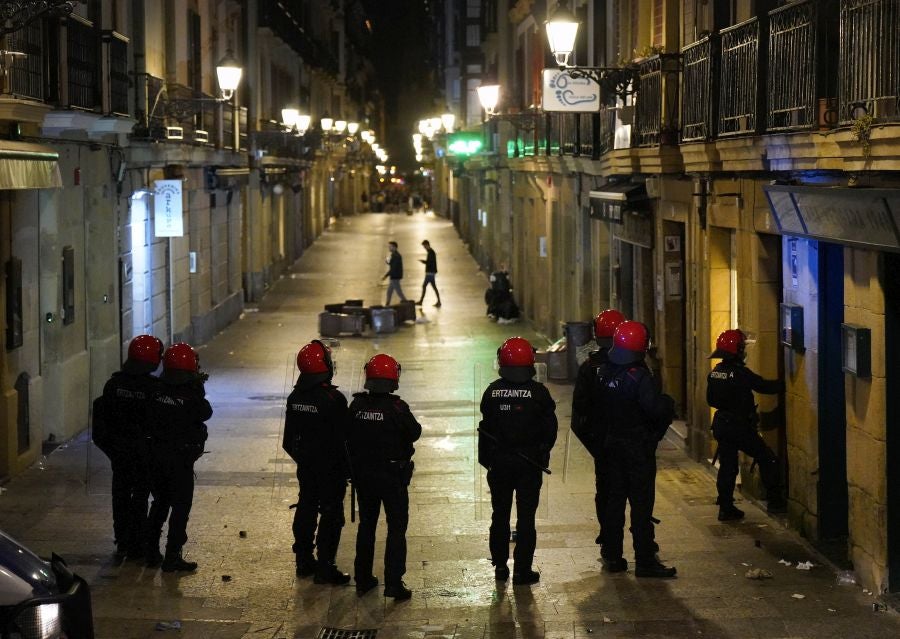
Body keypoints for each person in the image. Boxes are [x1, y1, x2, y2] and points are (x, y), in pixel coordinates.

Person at [597, 321, 676, 578]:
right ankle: (644, 560)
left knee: (615, 502)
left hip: (612, 446)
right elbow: (654, 409)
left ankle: (613, 555)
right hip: (637, 448)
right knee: (641, 505)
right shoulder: (639, 376)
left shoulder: (605, 373)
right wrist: (667, 404)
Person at [478, 337, 558, 585]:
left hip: (500, 464)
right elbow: (550, 430)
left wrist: (489, 461)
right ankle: (522, 570)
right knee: (526, 518)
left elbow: (486, 428)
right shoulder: (539, 393)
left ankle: (500, 566)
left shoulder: (492, 392)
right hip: (529, 465)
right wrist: (541, 453)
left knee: (499, 514)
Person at [346, 354, 421, 600]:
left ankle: (362, 578)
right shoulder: (397, 408)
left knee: (367, 525)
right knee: (396, 528)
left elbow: (347, 436)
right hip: (392, 477)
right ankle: (393, 583)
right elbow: (415, 432)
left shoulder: (356, 406)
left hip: (364, 477)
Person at [283, 340, 350, 584]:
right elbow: (345, 439)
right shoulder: (333, 399)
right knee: (331, 515)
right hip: (331, 469)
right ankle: (325, 567)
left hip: (307, 466)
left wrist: (304, 459)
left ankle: (303, 560)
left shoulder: (294, 397)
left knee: (306, 507)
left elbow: (288, 440)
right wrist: (347, 468)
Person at [95, 334, 164, 560]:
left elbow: (103, 422)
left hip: (120, 453)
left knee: (121, 494)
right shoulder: (154, 388)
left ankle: (122, 540)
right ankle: (138, 542)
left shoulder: (113, 385)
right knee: (141, 496)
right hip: (143, 453)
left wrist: (113, 450)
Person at [145, 342, 211, 572]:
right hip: (180, 459)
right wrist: (197, 387)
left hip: (156, 456)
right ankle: (173, 555)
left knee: (160, 503)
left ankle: (151, 551)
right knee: (181, 506)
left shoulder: (155, 390)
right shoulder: (191, 395)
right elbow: (206, 412)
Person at [707, 329, 786, 521]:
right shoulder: (740, 373)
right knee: (767, 458)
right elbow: (763, 386)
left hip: (722, 424)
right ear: (737, 350)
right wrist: (785, 384)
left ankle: (725, 507)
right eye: (742, 348)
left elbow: (710, 399)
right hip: (738, 426)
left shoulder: (715, 372)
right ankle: (775, 501)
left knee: (727, 466)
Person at [571, 309, 626, 552]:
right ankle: (644, 547)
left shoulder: (589, 367)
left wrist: (595, 444)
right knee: (636, 494)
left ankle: (608, 541)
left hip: (603, 443)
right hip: (629, 442)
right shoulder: (633, 367)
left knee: (605, 491)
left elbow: (579, 412)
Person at [416, 240, 441, 307]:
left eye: (424, 246)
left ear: (427, 245)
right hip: (431, 272)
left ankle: (421, 301)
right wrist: (424, 262)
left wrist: (424, 262)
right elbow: (430, 262)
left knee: (424, 286)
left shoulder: (431, 252)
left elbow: (430, 262)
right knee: (434, 287)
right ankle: (439, 301)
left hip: (430, 273)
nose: (424, 248)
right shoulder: (430, 252)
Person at [382, 241, 407, 305]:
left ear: (394, 247)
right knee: (389, 291)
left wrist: (386, 276)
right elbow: (392, 264)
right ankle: (387, 304)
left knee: (399, 292)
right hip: (394, 276)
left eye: (390, 247)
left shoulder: (396, 256)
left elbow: (393, 268)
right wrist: (387, 261)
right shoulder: (394, 255)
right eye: (389, 247)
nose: (389, 248)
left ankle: (406, 303)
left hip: (395, 276)